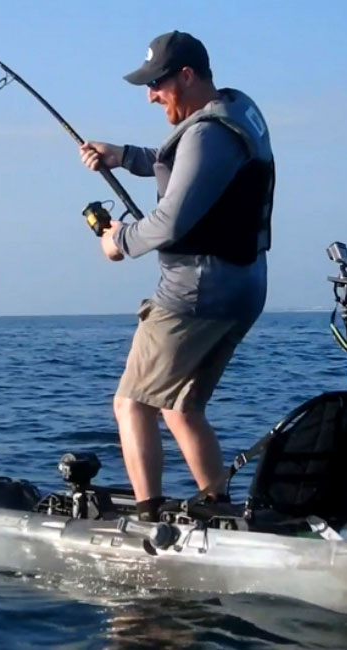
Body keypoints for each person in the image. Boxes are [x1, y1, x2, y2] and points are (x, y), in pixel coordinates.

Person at [78, 30, 275, 521]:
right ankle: (218, 507)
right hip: (244, 289)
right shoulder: (236, 110)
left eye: (157, 84)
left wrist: (117, 241)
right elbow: (191, 167)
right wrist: (124, 155)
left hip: (195, 293)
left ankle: (148, 521)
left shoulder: (208, 134)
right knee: (181, 407)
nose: (150, 95)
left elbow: (169, 223)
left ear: (187, 76)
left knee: (132, 403)